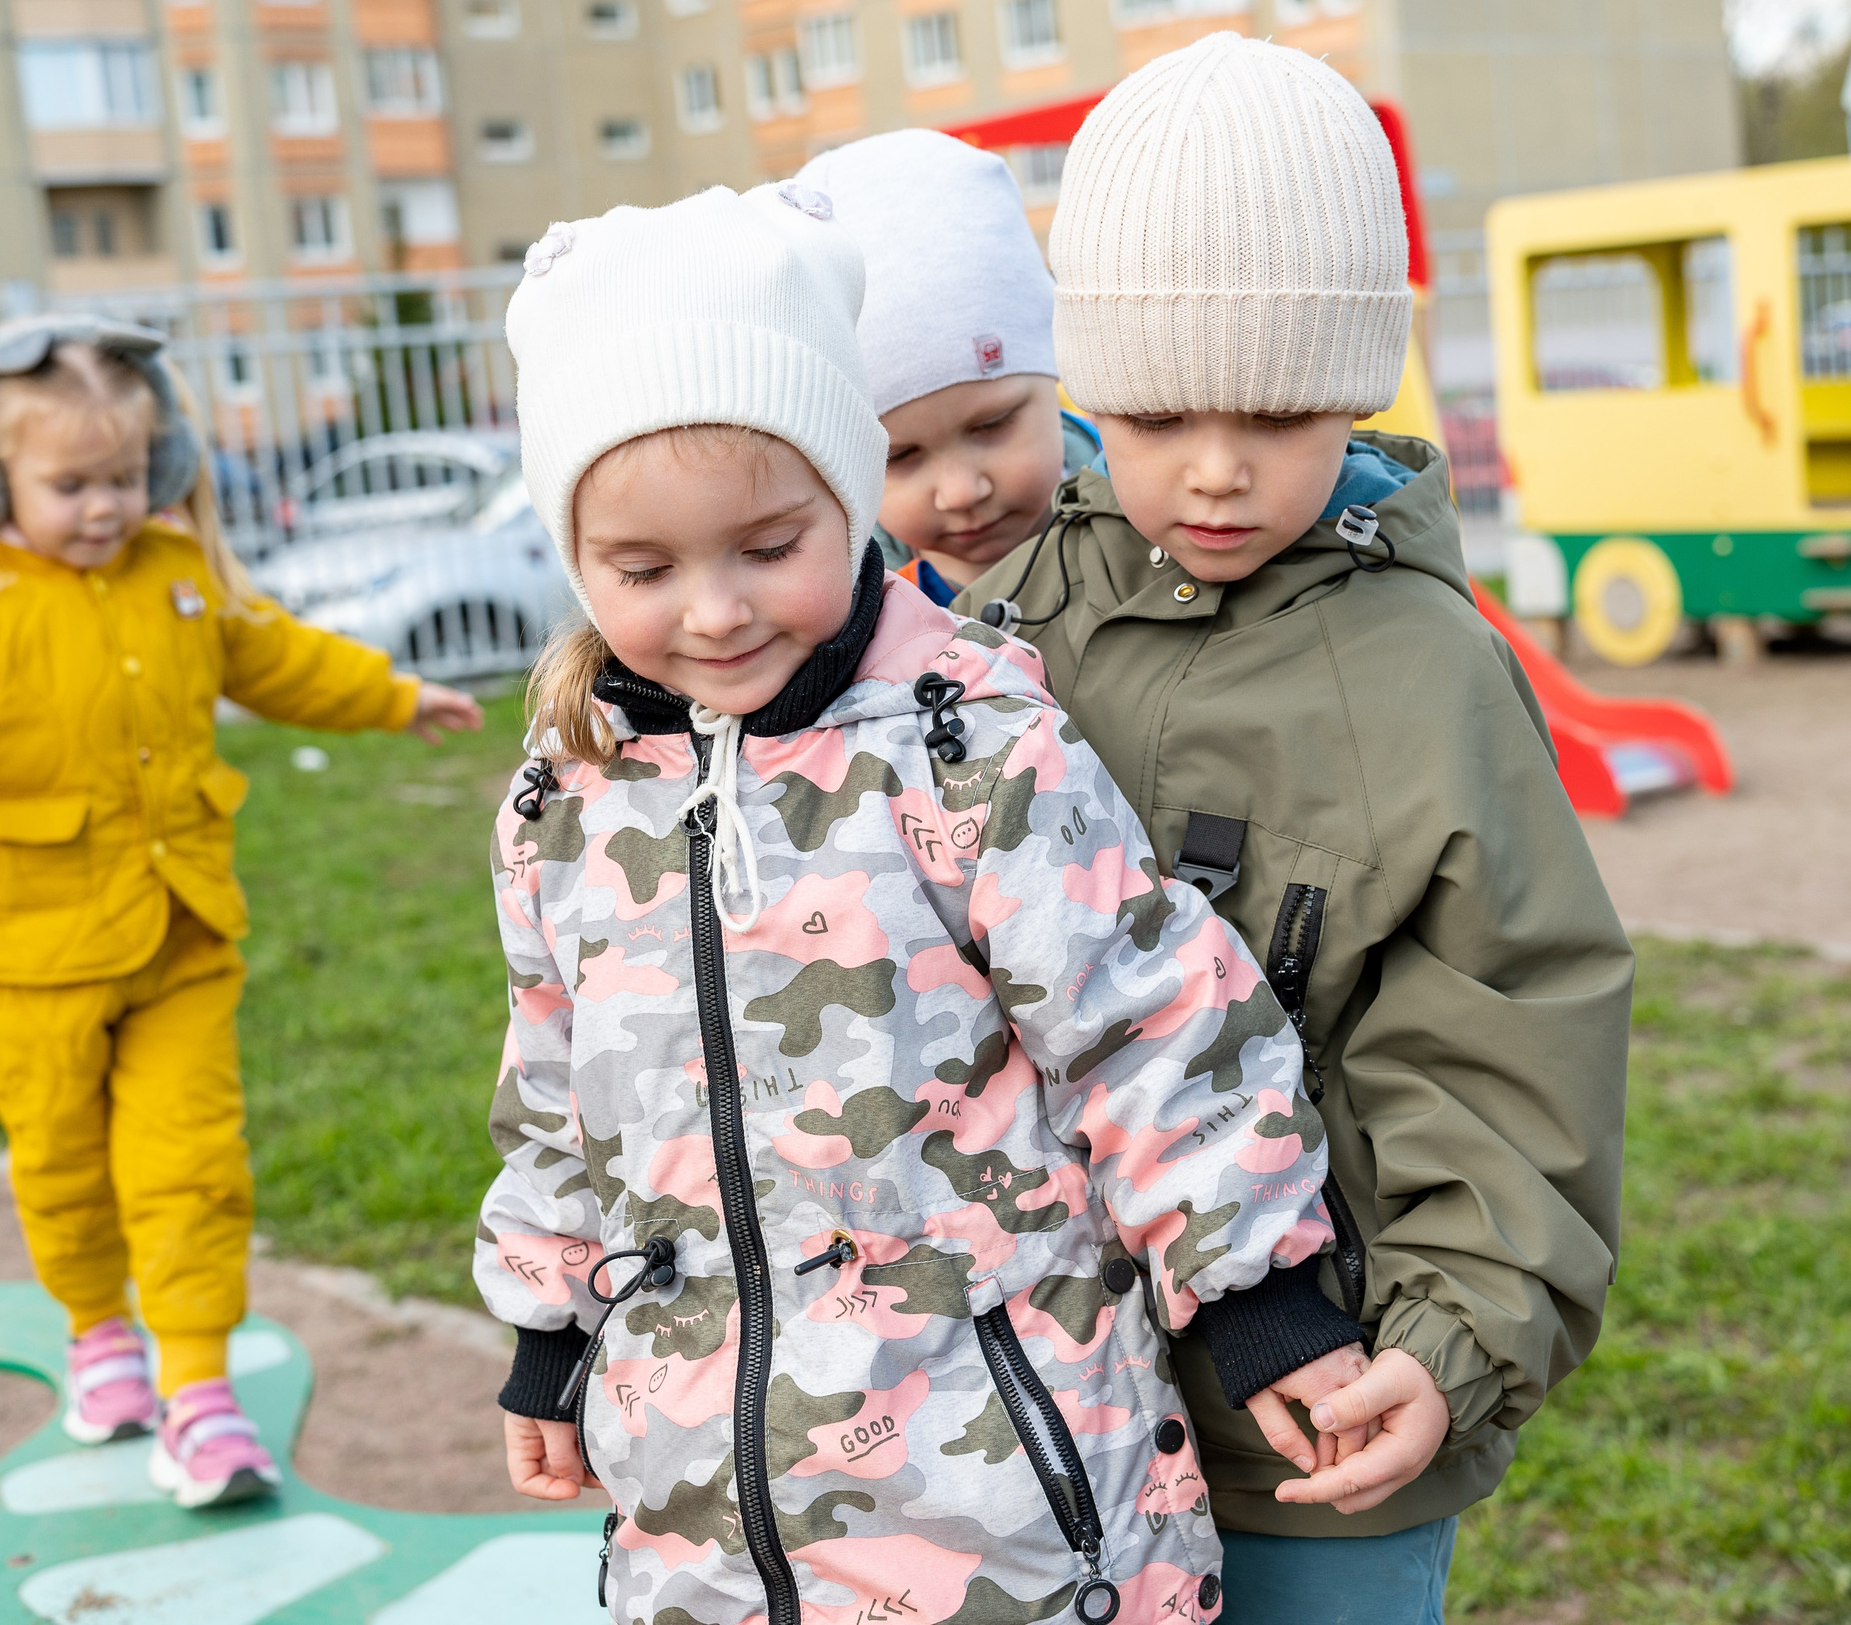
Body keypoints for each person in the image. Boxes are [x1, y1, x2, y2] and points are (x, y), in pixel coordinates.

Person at [478, 185, 1370, 1623]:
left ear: (845, 492)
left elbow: (1145, 1011)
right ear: (578, 563)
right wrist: (547, 1314)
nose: (713, 610)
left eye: (768, 546)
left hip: (998, 1491)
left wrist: (1258, 1293)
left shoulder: (963, 742)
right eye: (644, 570)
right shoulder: (567, 798)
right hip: (705, 1501)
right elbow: (550, 1080)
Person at [953, 34, 1634, 1625]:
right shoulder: (996, 633)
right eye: (1154, 407)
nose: (1211, 467)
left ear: (1358, 378)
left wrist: (1452, 1338)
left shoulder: (1429, 673)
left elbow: (1503, 1031)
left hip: (1312, 1421)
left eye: (1275, 408)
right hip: (1012, 1399)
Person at [0, 317, 484, 1508]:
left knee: (193, 1164)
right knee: (61, 1166)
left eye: (129, 475)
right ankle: (99, 1330)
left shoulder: (177, 572)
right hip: (25, 955)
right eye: (71, 483)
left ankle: (199, 1391)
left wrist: (391, 694)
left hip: (181, 928)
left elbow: (278, 655)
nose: (107, 505)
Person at [794, 129, 1099, 607]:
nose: (961, 493)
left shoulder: (1161, 525)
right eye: (900, 457)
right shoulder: (844, 616)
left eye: (993, 424)